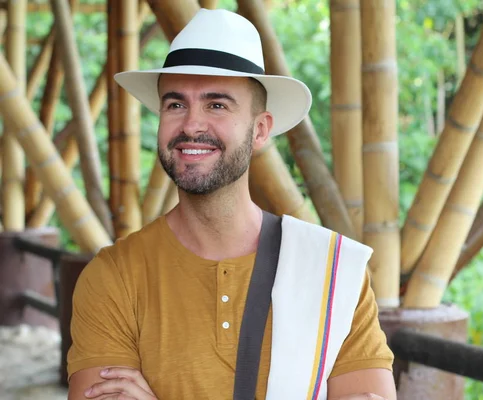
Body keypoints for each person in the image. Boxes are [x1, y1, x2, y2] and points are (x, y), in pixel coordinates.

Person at [66, 8, 396, 400]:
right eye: (175, 105)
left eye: (217, 105)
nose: (191, 124)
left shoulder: (332, 271)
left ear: (259, 130)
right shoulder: (114, 277)